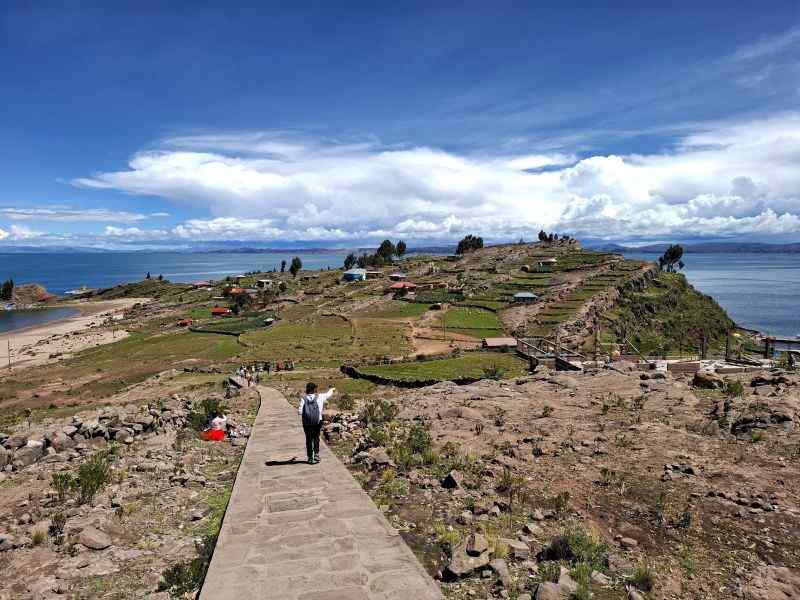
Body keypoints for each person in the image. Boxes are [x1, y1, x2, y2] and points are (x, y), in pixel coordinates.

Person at [298, 383, 335, 464]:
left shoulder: (303, 398)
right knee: (316, 437)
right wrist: (332, 389)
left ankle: (310, 457)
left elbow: (300, 412)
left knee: (308, 439)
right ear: (314, 389)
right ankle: (316, 454)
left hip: (307, 422)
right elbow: (328, 394)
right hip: (317, 421)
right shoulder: (320, 397)